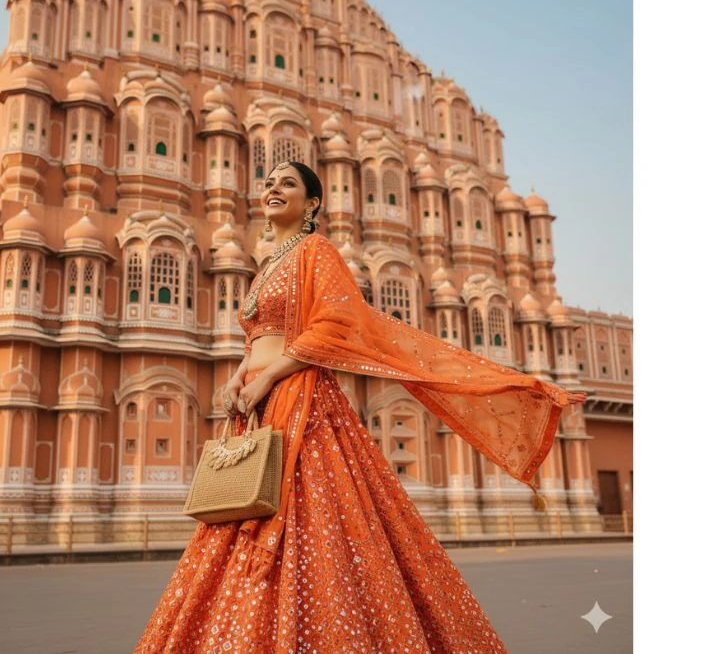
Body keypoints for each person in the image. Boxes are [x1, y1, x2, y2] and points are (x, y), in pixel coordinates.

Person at [135, 162, 585, 652]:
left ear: (312, 205)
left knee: (316, 527)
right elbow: (259, 337)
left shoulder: (316, 251)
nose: (273, 189)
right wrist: (239, 378)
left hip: (300, 398)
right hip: (260, 404)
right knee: (249, 514)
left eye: (288, 184)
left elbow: (335, 322)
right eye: (268, 182)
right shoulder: (267, 265)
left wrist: (267, 375)